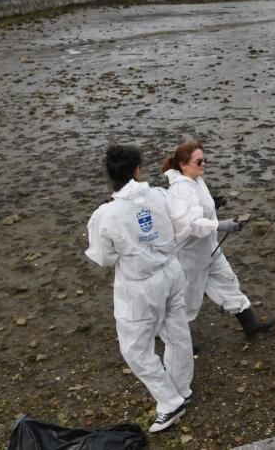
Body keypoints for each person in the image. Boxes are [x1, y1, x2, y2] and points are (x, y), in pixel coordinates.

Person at [85, 145, 196, 433]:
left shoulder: (106, 215)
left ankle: (171, 400)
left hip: (139, 284)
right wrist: (164, 245)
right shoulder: (159, 196)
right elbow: (185, 224)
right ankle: (181, 388)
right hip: (171, 270)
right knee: (177, 332)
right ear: (137, 170)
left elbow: (103, 257)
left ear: (109, 176)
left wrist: (135, 250)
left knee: (135, 348)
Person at [161, 141, 275, 341]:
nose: (204, 164)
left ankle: (250, 325)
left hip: (209, 248)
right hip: (190, 255)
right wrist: (220, 225)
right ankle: (173, 338)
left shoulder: (196, 180)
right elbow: (192, 224)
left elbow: (198, 209)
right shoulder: (180, 189)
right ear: (183, 164)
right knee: (187, 298)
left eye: (205, 159)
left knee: (228, 282)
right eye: (199, 161)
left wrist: (214, 205)